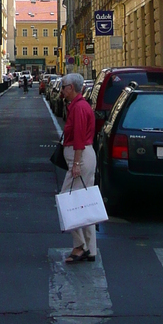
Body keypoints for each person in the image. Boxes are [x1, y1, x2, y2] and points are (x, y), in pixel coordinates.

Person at [60, 73, 97, 262]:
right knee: (84, 202)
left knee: (68, 201)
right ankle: (91, 248)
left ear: (72, 88)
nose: (61, 90)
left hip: (81, 158)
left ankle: (79, 246)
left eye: (63, 86)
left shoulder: (79, 107)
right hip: (83, 157)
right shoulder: (78, 106)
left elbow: (80, 138)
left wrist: (75, 164)